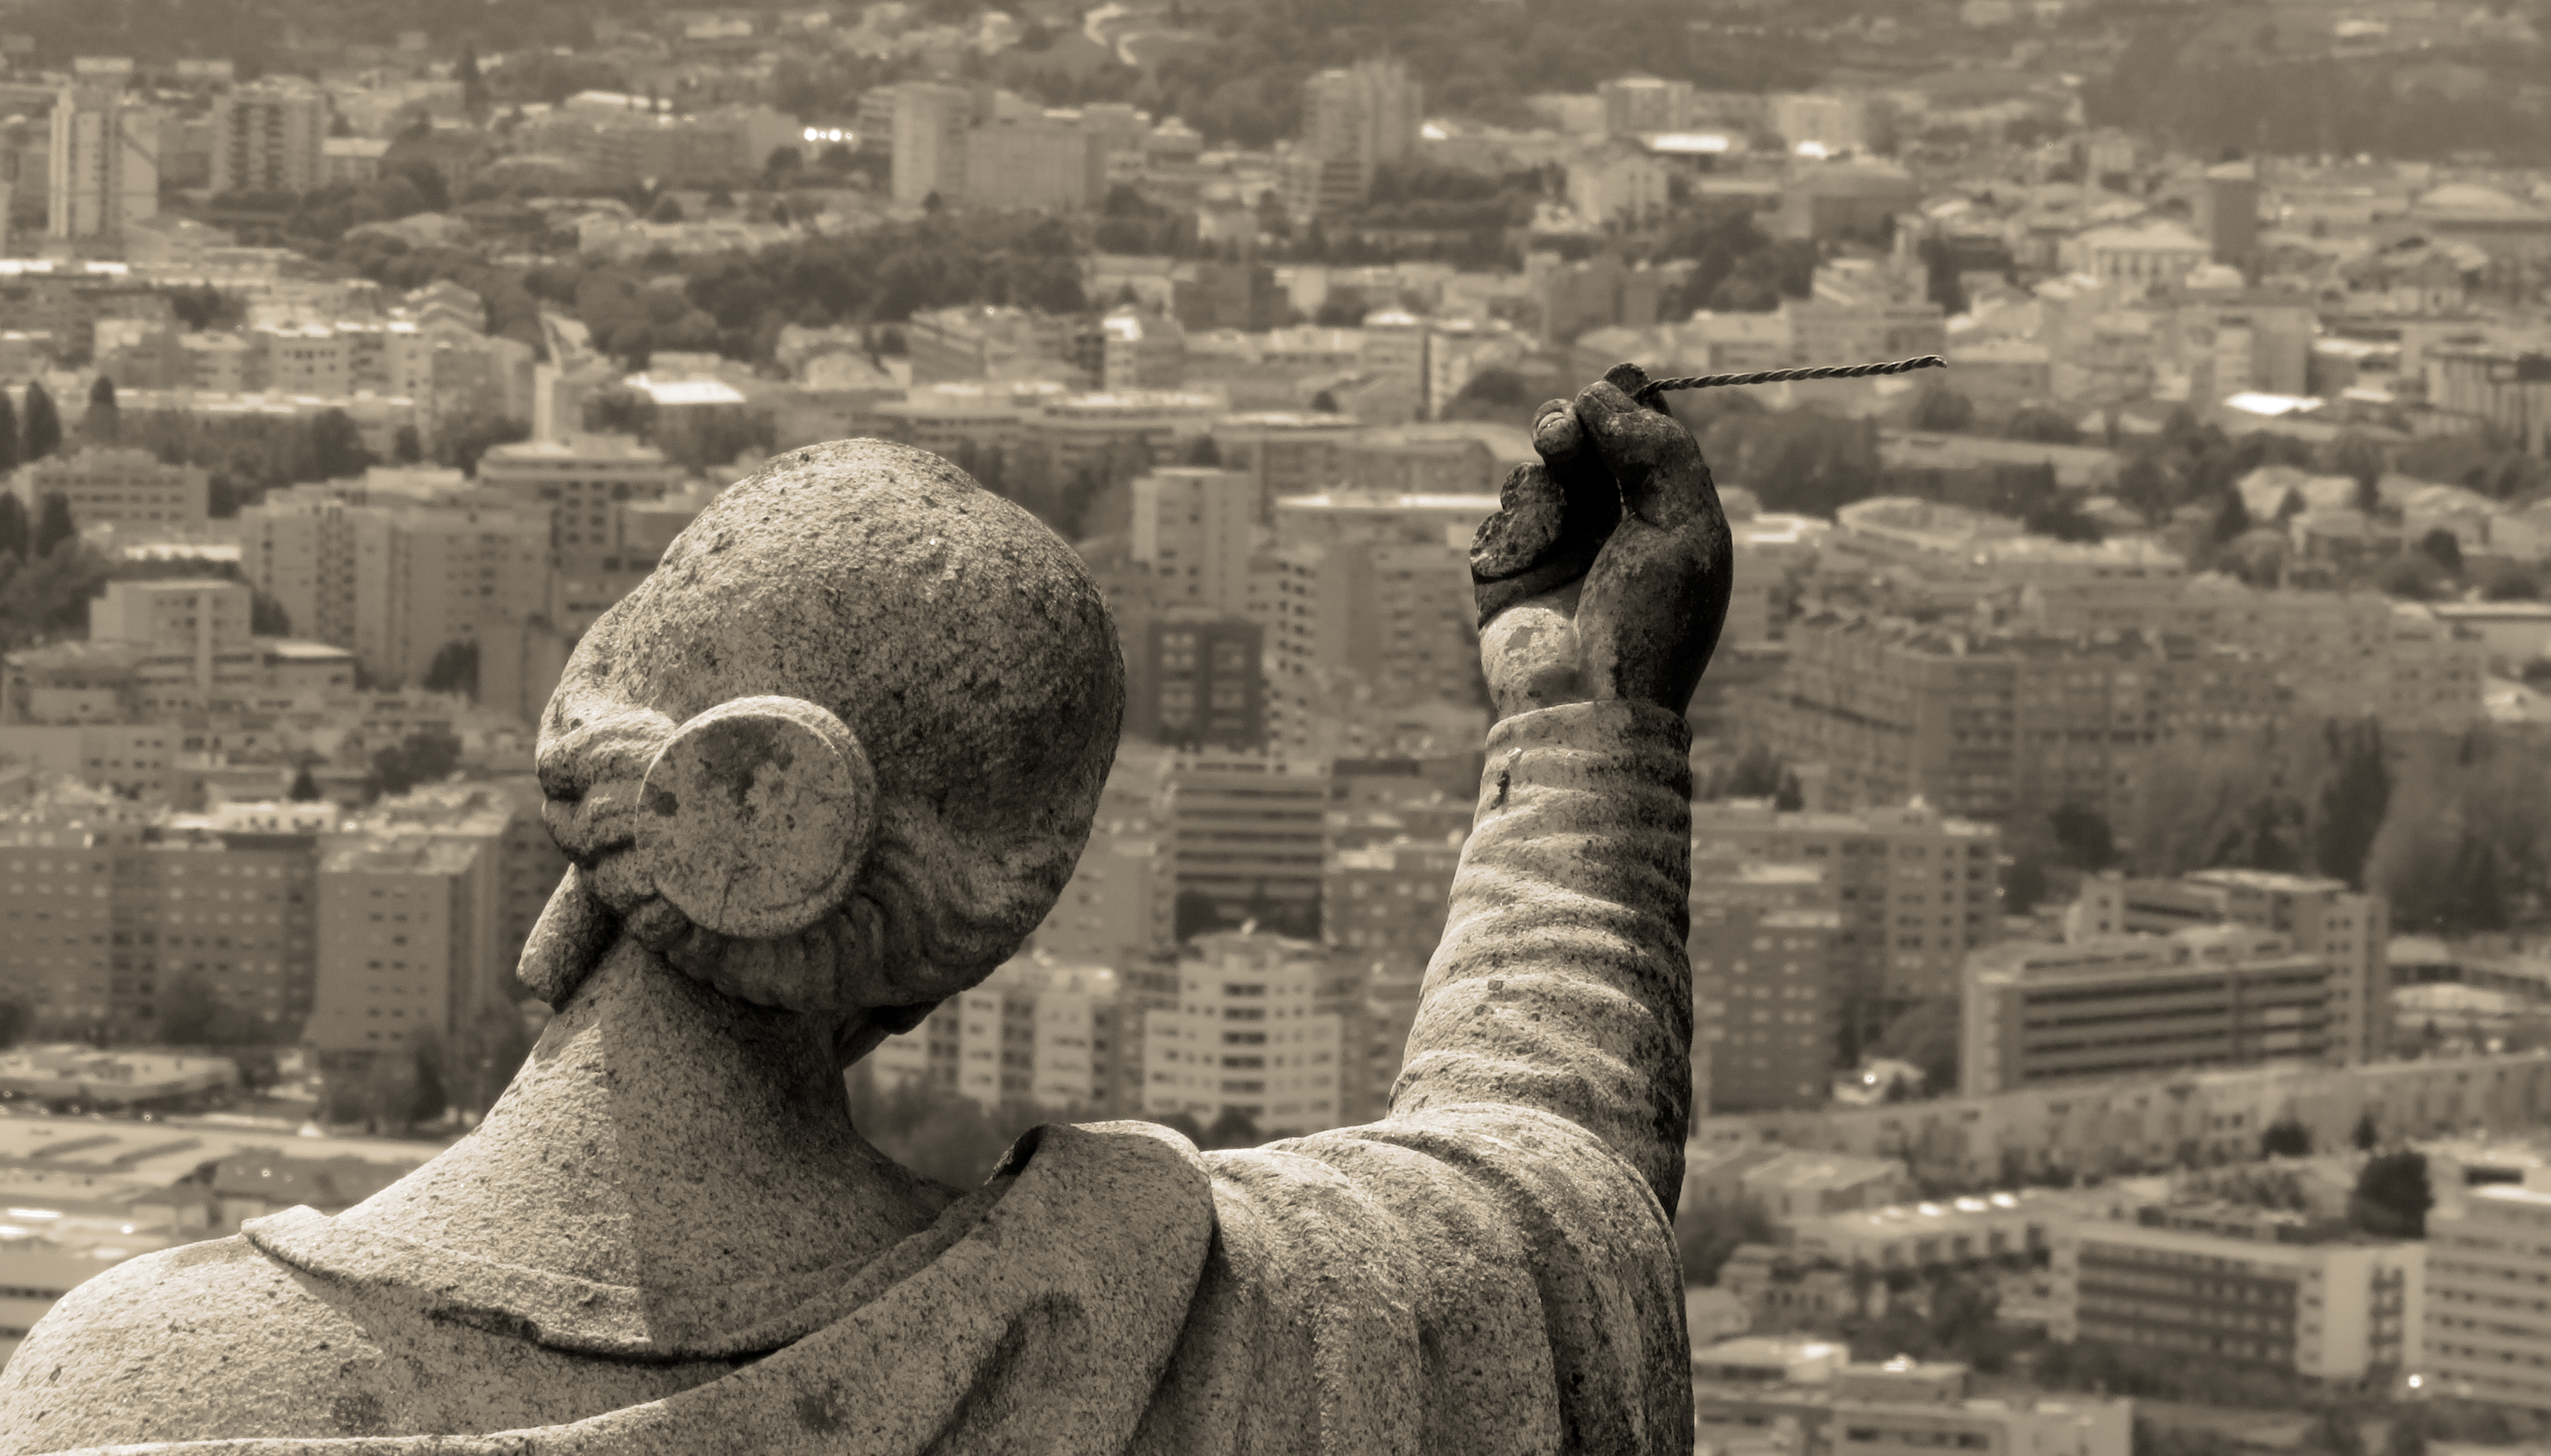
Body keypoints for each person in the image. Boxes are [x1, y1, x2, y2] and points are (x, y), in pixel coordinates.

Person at [0, 368, 1732, 1456]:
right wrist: (1586, 723)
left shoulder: (153, 1394)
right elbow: (1548, 1204)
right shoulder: (1200, 1336)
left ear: (618, 752)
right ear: (991, 915)